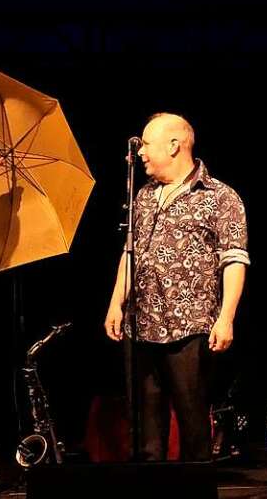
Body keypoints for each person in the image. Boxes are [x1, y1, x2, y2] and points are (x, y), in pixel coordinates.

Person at [104, 113, 249, 462]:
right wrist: (115, 303)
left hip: (192, 326)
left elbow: (234, 260)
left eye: (146, 144)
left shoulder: (220, 197)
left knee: (193, 423)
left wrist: (226, 317)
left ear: (174, 145)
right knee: (146, 430)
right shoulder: (144, 196)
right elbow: (131, 253)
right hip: (143, 326)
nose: (140, 153)